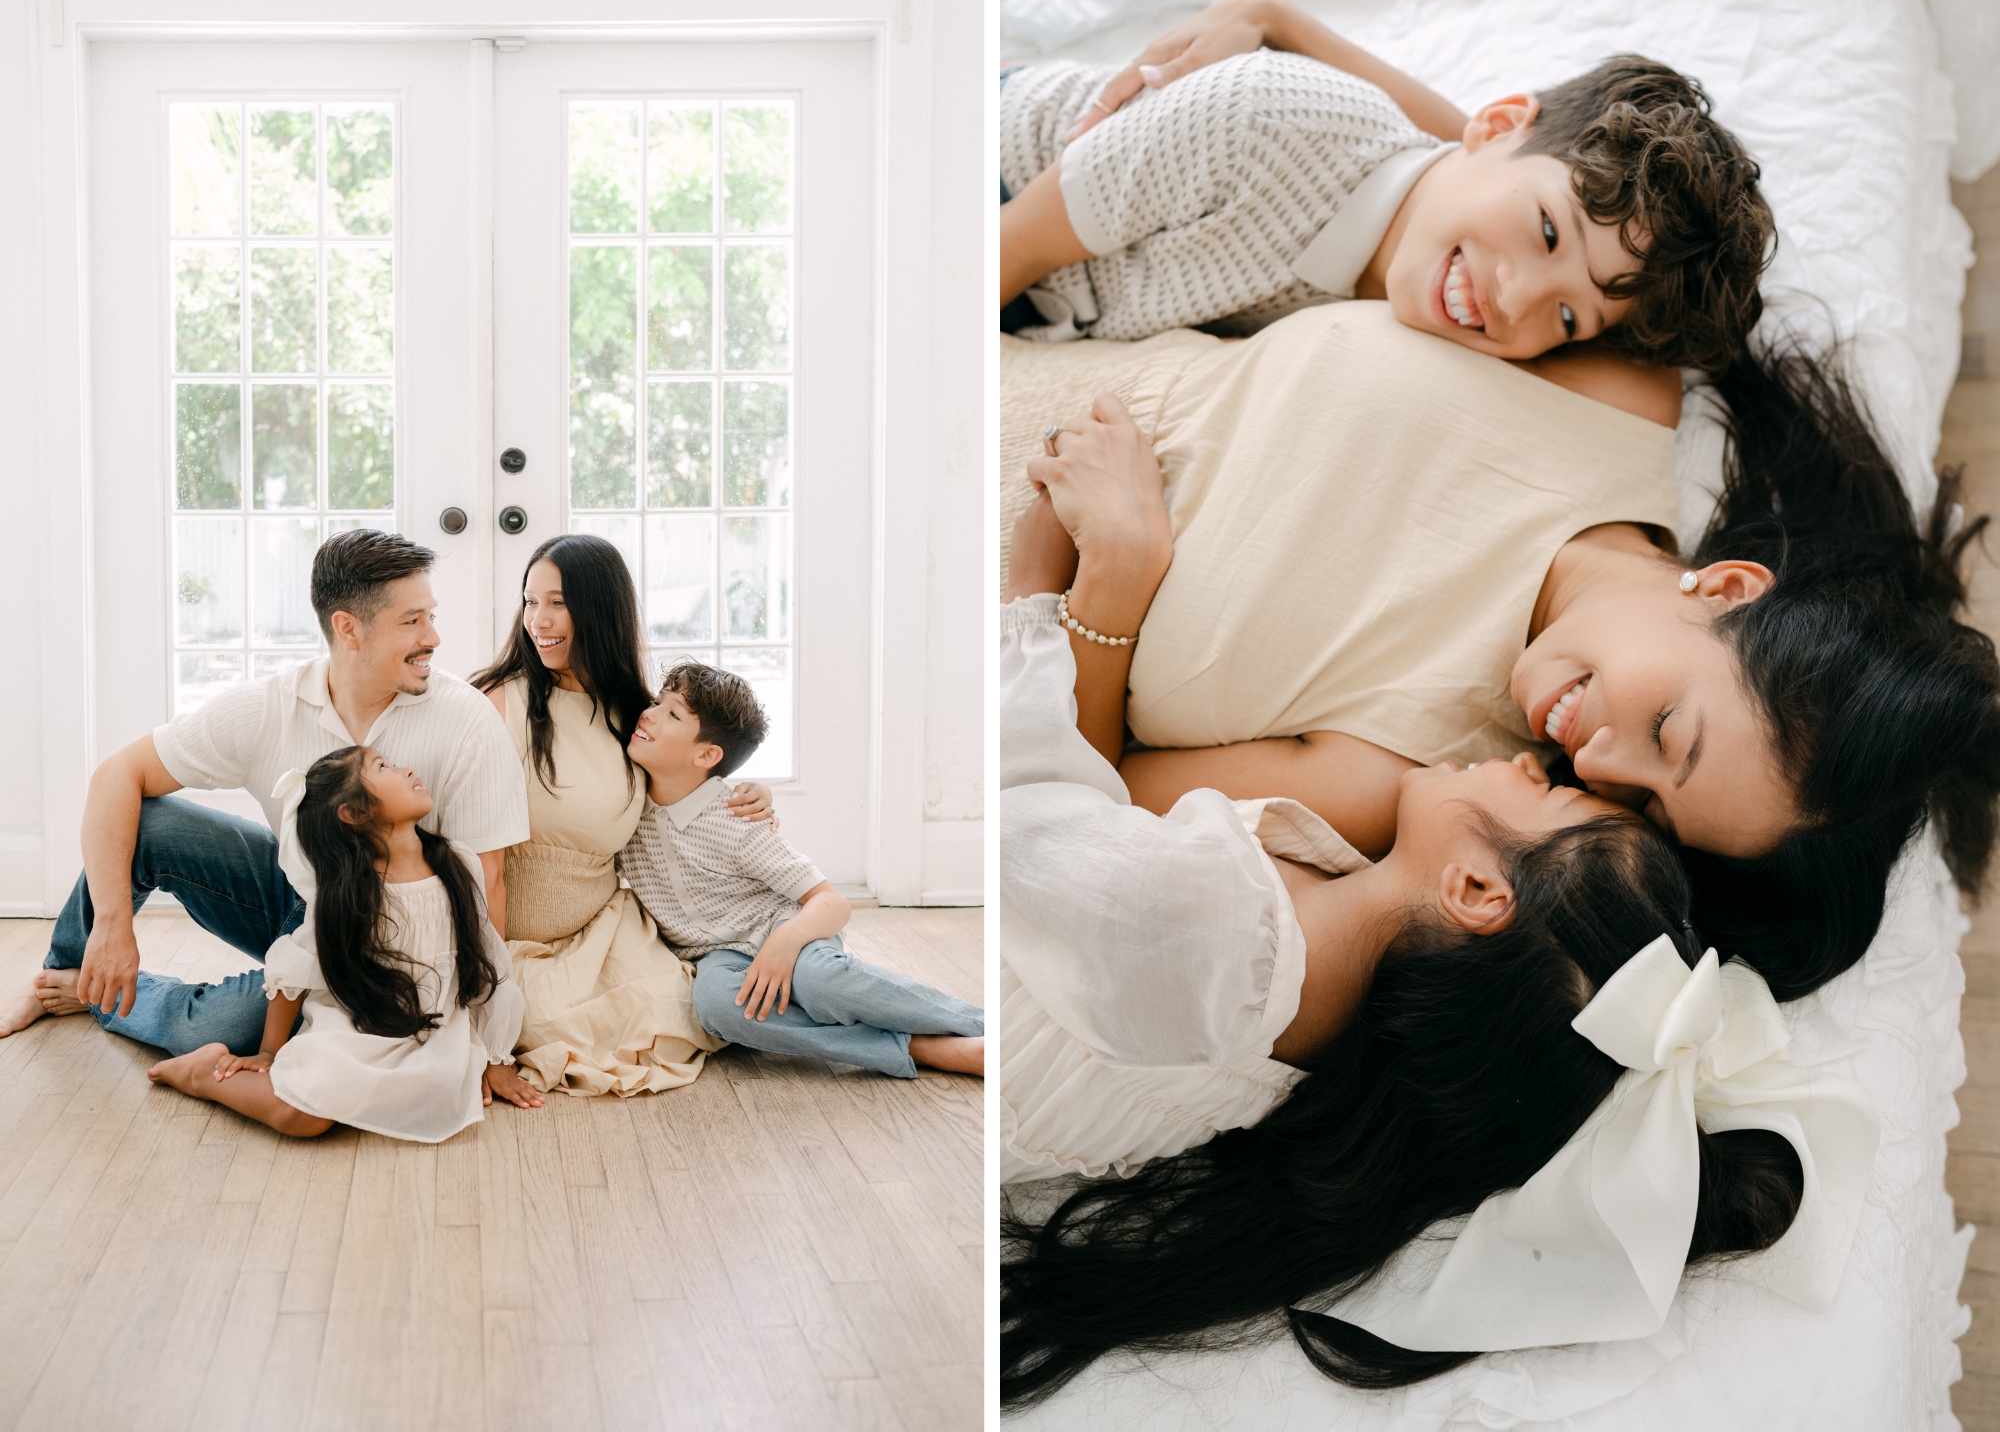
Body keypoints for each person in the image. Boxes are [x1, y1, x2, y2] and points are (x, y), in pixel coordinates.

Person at [996, 579, 1877, 1405]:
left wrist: (1046, 592)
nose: (1548, 764)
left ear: (1478, 894)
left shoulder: (1219, 941)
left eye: (1562, 802)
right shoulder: (1330, 984)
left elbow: (1015, 806)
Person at [1005, 307, 2000, 1001]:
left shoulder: (1395, 774)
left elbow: (1071, 799)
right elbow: (1474, 188)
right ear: (1730, 589)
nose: (1601, 763)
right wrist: (1274, 19)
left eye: (1647, 806)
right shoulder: (1613, 389)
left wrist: (1112, 581)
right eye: (1664, 731)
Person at [1000, 0, 1771, 386]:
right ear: (1494, 126)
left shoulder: (1438, 265)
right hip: (987, 186)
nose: (1515, 295)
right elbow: (1003, 251)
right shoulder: (1265, 119)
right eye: (1546, 232)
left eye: (1569, 315)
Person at [0, 530, 529, 1050]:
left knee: (220, 1032)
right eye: (412, 621)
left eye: (430, 616)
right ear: (348, 629)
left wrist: (483, 1040)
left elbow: (487, 882)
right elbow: (116, 775)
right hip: (297, 898)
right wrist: (113, 926)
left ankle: (100, 997)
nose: (432, 637)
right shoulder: (269, 707)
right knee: (151, 822)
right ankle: (67, 971)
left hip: (390, 940)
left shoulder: (466, 722)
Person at [471, 533, 767, 1096]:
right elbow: (480, 871)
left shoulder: (632, 711)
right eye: (530, 601)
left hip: (600, 927)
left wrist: (751, 791)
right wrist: (489, 1035)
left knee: (682, 1009)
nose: (539, 620)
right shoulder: (496, 703)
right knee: (550, 1026)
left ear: (601, 609)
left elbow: (689, 777)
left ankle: (911, 1041)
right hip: (509, 942)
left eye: (558, 602)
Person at [619, 661, 986, 1079]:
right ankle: (919, 1049)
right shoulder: (621, 811)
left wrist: (785, 941)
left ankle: (983, 1027)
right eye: (656, 702)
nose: (648, 713)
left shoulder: (736, 818)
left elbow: (831, 901)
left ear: (706, 754)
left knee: (819, 981)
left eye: (672, 713)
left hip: (786, 926)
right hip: (715, 956)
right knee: (717, 1007)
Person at [146, 746, 535, 1139]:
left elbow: (489, 961)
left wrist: (497, 1055)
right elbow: (294, 970)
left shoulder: (458, 864)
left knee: (437, 1085)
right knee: (304, 1119)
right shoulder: (349, 894)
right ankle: (202, 1076)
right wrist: (268, 1052)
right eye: (384, 767)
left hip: (434, 1031)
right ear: (354, 812)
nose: (407, 769)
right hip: (356, 1029)